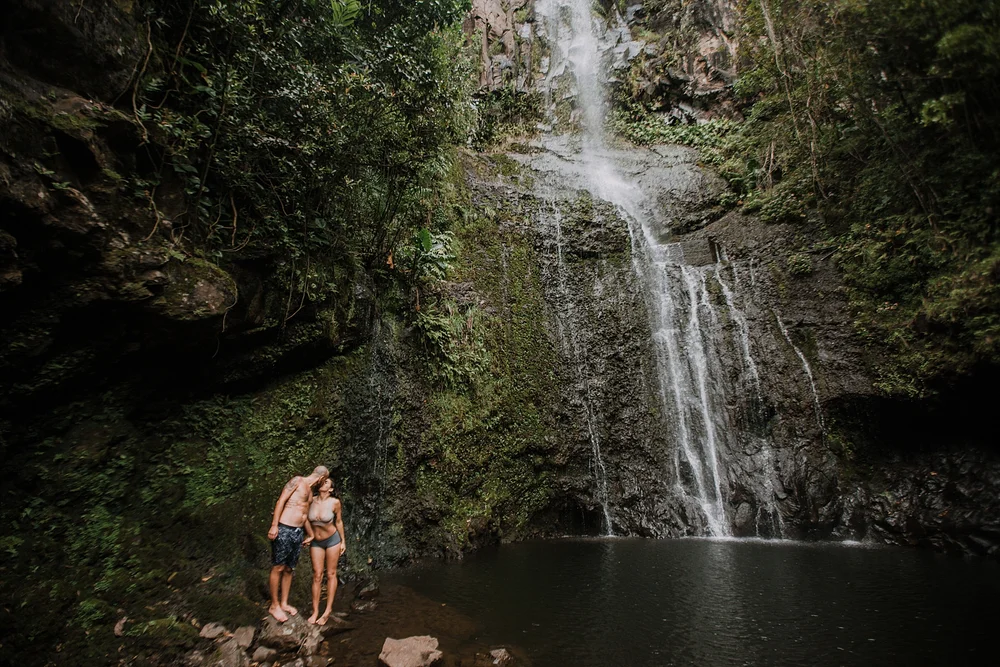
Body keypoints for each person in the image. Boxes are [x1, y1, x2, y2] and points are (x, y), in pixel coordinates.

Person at [267, 466, 329, 622]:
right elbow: (281, 500)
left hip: (298, 532)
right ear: (321, 478)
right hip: (285, 528)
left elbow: (304, 516)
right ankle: (274, 605)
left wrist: (311, 533)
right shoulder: (297, 481)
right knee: (278, 566)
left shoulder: (309, 493)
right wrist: (274, 525)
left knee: (289, 569)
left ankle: (284, 603)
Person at [306, 476, 347, 625]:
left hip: (332, 540)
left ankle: (328, 610)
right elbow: (304, 517)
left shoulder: (335, 502)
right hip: (316, 541)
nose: (324, 482)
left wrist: (343, 541)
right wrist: (309, 535)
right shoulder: (311, 500)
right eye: (322, 481)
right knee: (317, 575)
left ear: (331, 489)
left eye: (327, 481)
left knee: (331, 573)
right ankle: (315, 610)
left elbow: (339, 522)